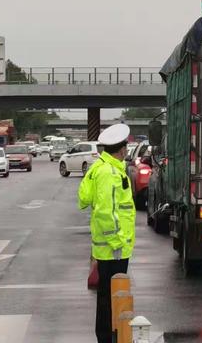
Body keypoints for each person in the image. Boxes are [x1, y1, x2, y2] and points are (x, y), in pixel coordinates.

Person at [78, 123, 136, 343]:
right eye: (126, 149)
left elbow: (85, 199)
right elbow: (105, 212)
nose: (127, 152)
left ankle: (108, 335)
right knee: (111, 297)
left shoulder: (100, 167)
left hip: (107, 247)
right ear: (121, 150)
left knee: (107, 295)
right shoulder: (109, 173)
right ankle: (109, 337)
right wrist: (117, 241)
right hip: (113, 248)